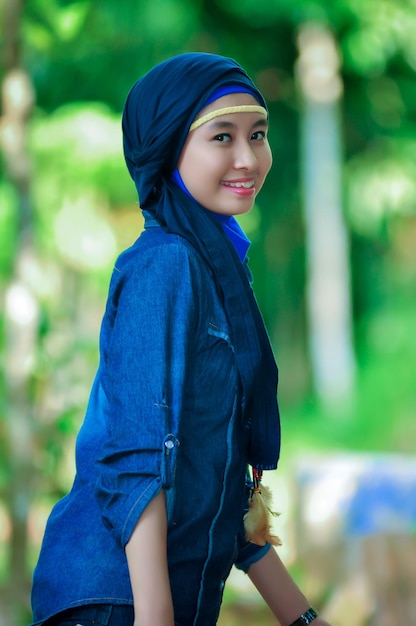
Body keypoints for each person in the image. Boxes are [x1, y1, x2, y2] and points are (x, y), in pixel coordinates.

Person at [30, 52, 331, 626]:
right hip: (117, 599)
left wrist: (304, 618)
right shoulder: (166, 265)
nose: (249, 158)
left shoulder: (213, 270)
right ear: (170, 149)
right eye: (223, 136)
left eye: (258, 135)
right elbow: (140, 455)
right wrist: (156, 614)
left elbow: (219, 488)